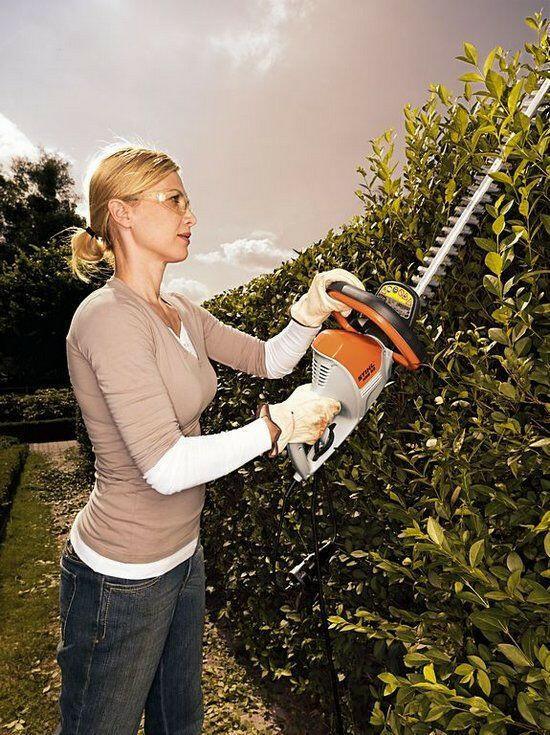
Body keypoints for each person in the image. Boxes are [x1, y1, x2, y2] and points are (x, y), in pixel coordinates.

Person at [55, 140, 366, 735]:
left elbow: (268, 360)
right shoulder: (106, 318)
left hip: (183, 557)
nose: (190, 215)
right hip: (119, 578)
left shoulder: (181, 310)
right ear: (122, 212)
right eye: (173, 200)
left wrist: (308, 311)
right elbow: (165, 466)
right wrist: (275, 426)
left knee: (181, 723)